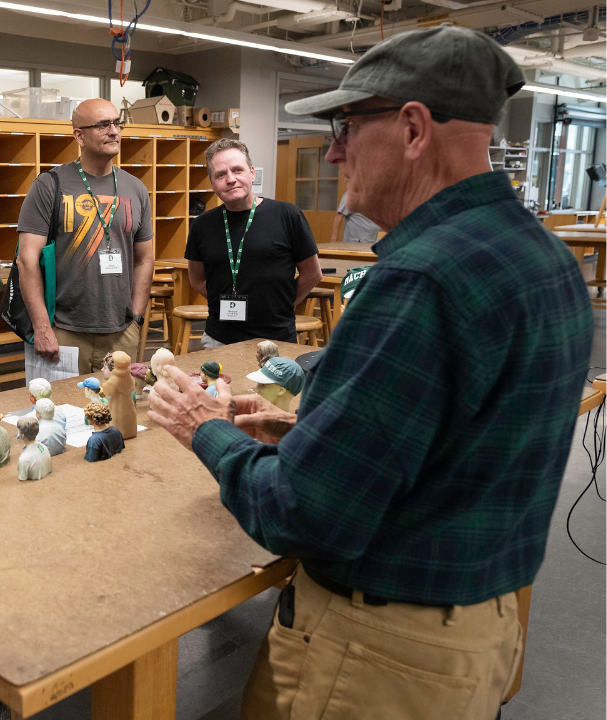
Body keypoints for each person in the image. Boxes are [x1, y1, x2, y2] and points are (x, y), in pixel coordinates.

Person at [147, 26, 594, 720]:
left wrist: (206, 430)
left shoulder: (421, 279)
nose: (332, 150)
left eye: (347, 127)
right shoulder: (542, 257)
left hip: (380, 655)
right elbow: (459, 437)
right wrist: (312, 429)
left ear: (413, 129)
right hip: (474, 630)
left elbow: (303, 516)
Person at [17, 98, 154, 372]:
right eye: (103, 125)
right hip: (63, 332)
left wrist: (136, 319)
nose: (114, 131)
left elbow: (145, 259)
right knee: (63, 413)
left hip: (121, 332)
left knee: (118, 412)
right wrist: (42, 327)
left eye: (117, 123)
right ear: (79, 135)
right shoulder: (49, 186)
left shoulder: (136, 188)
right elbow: (26, 260)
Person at [184, 138, 321, 348]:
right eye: (220, 175)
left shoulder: (287, 215)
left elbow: (312, 273)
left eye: (237, 170)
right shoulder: (202, 225)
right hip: (220, 338)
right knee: (219, 382)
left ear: (252, 173)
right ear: (212, 183)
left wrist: (283, 303)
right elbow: (196, 279)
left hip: (277, 338)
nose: (230, 179)